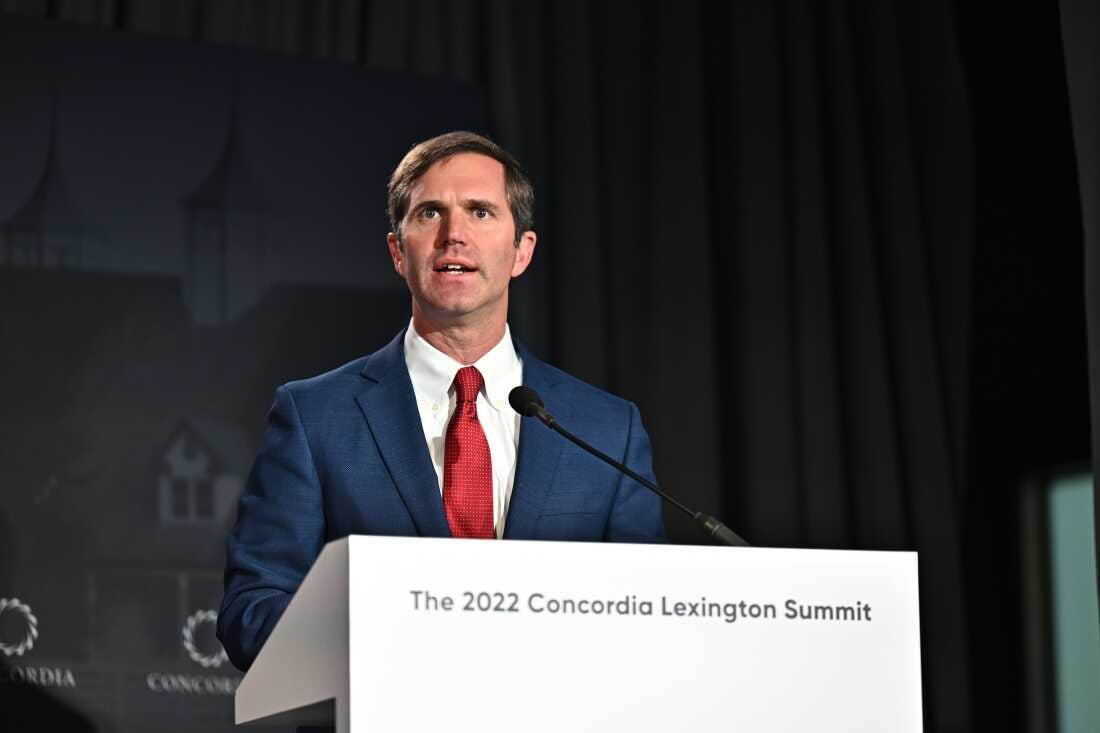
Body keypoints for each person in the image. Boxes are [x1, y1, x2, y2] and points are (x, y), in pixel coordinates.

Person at [217, 131, 666, 671]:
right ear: (396, 251)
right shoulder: (314, 417)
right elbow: (252, 611)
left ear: (522, 251)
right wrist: (393, 643)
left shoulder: (606, 428)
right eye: (430, 213)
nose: (454, 235)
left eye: (480, 212)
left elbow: (650, 615)